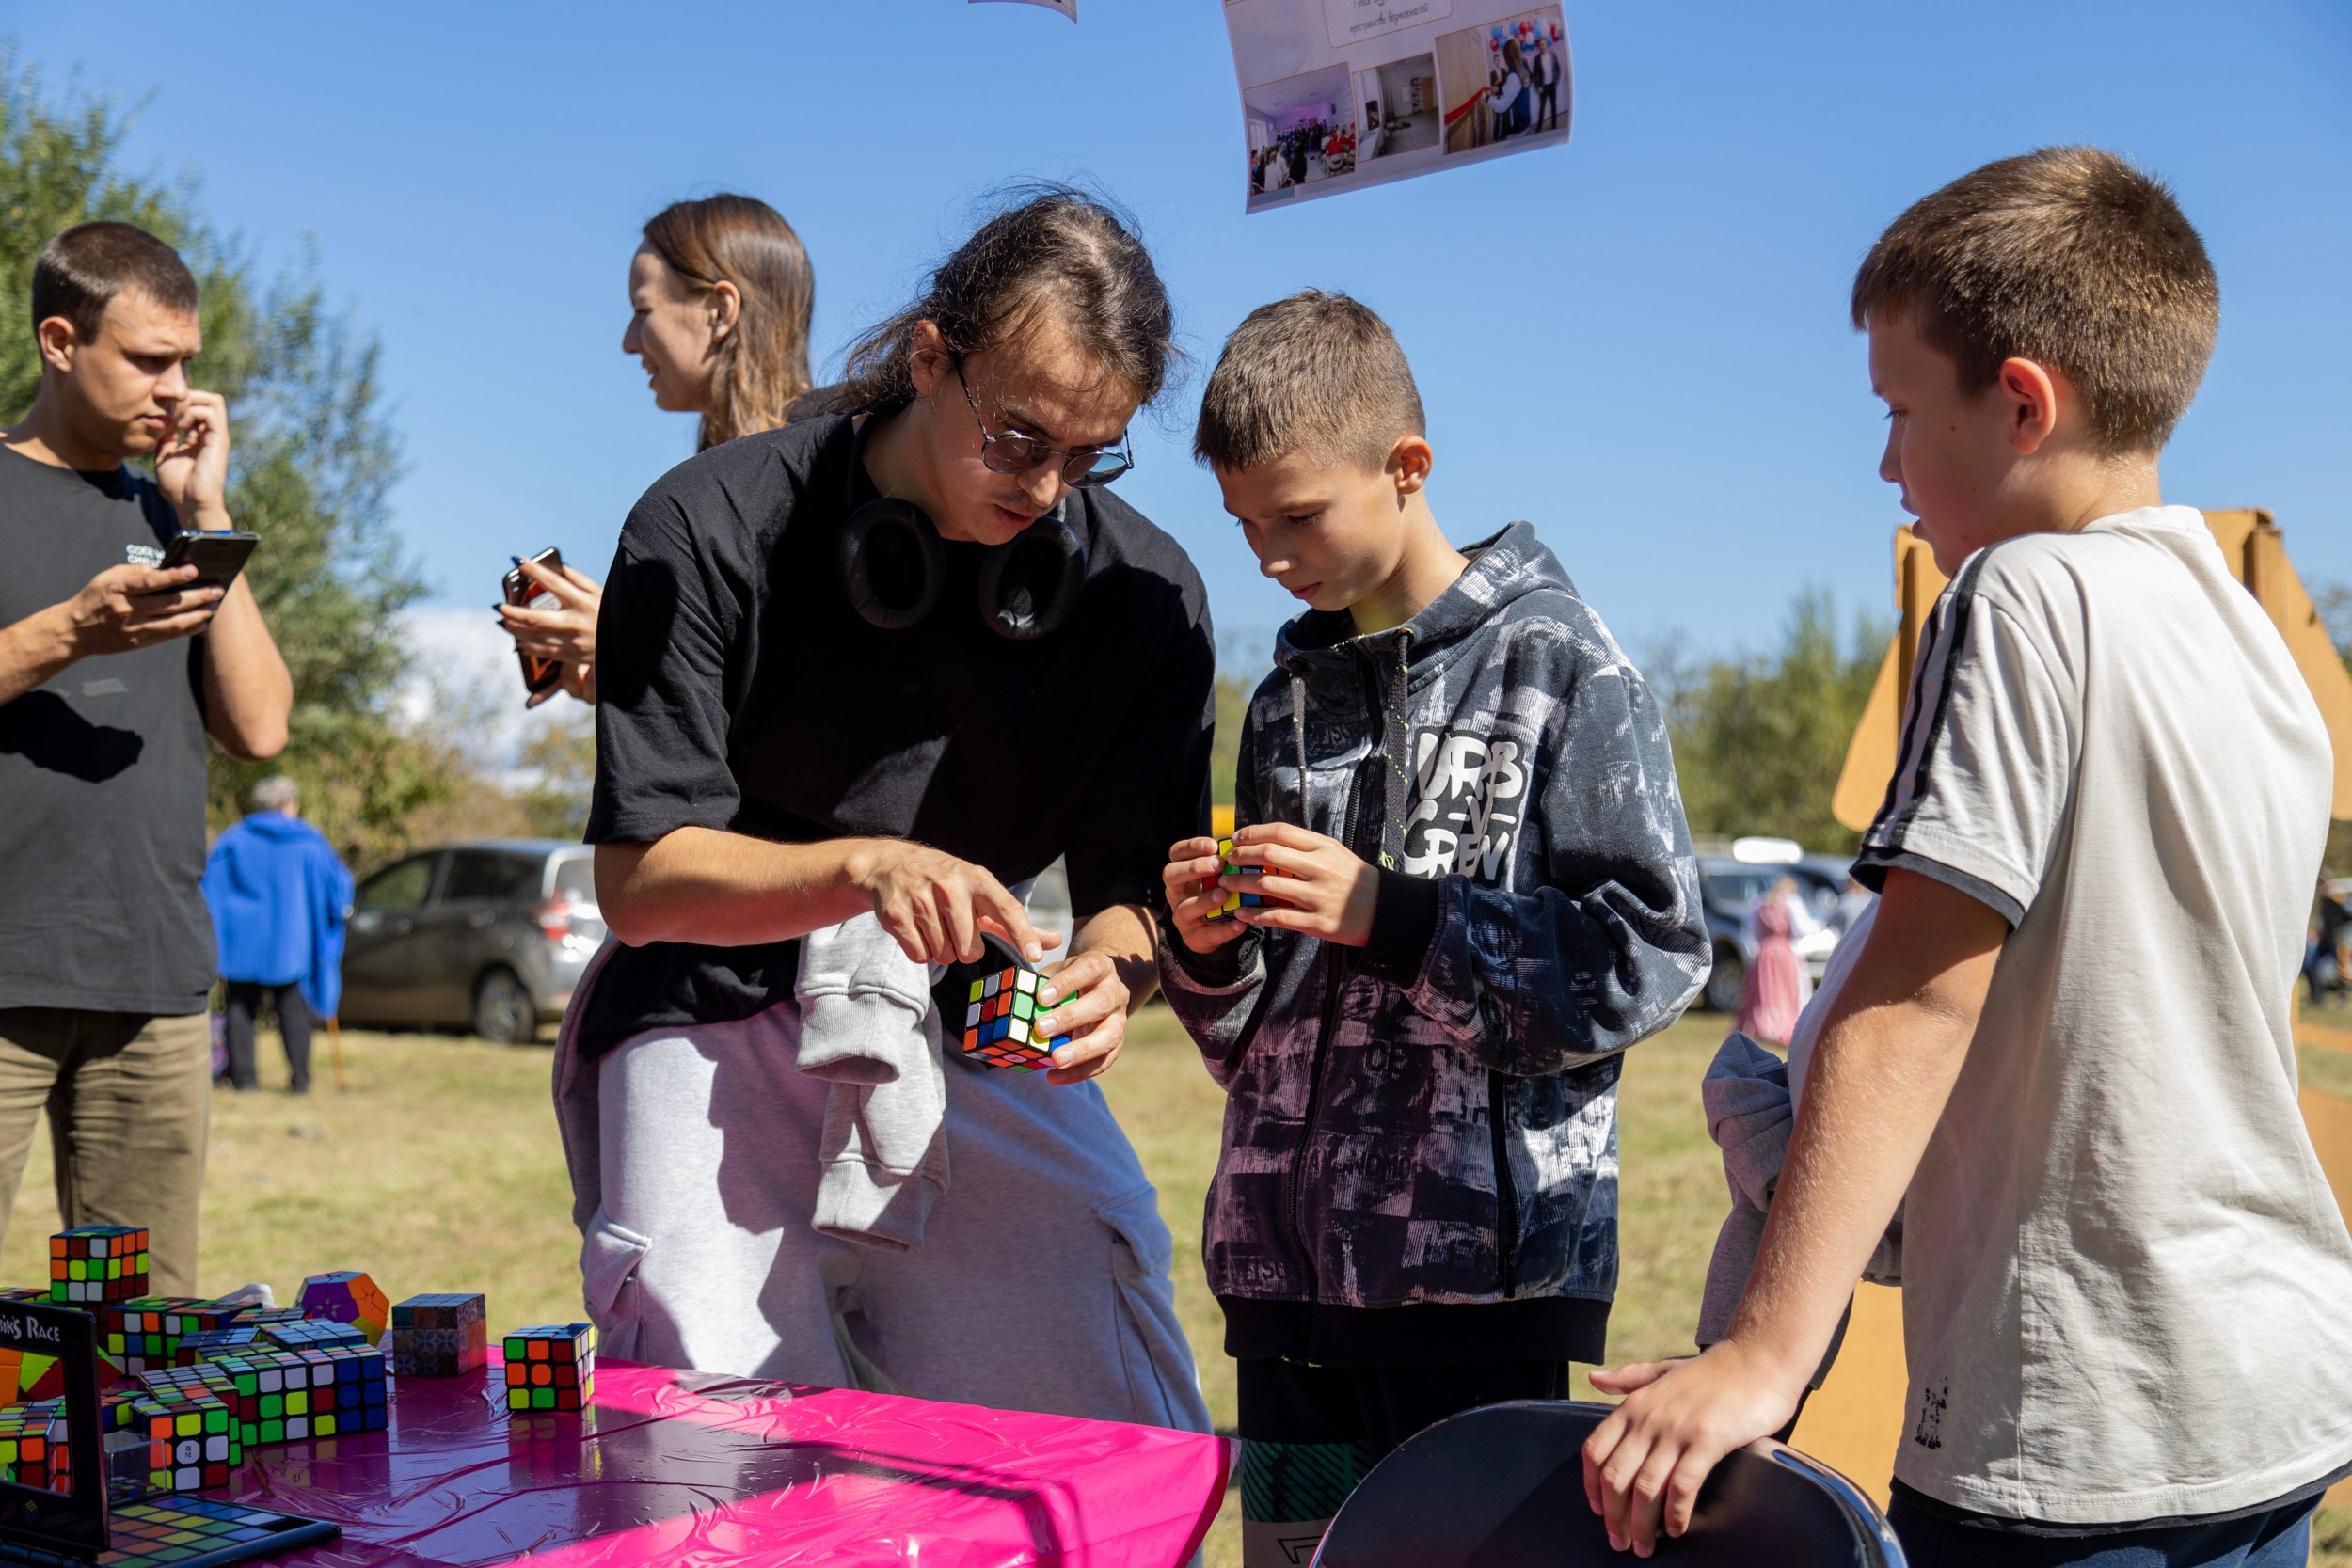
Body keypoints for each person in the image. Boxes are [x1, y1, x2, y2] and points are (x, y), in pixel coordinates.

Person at [1583, 148, 2352, 1566]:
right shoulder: (2257, 651)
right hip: (2266, 1399)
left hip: (2072, 1427)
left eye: (1899, 411)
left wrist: (1765, 1349)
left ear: (2021, 402)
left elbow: (1924, 998)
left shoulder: (2022, 592)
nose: (1885, 466)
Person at [559, 187, 1216, 1434]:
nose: (1051, 488)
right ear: (930, 358)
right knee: (706, 1442)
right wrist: (864, 866)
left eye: (1093, 454)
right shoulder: (706, 525)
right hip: (705, 1009)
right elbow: (640, 880)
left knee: (1108, 1408)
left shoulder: (1146, 597)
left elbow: (1136, 894)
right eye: (1020, 439)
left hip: (970, 1010)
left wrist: (1108, 975)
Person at [1159, 291, 1708, 1567]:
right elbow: (1255, 1037)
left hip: (1478, 1307)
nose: (1267, 554)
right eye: (1245, 524)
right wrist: (1208, 949)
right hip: (1281, 1299)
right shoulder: (1286, 695)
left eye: (1297, 514)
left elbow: (1651, 955)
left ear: (1407, 467)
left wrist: (1395, 917)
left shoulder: (1563, 663)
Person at [0, 221, 293, 1293]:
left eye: (187, 362)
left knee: (145, 1335)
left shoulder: (167, 513)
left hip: (151, 972)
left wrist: (206, 514)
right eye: (148, 360)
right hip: (4, 956)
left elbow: (262, 728)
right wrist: (67, 633)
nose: (177, 389)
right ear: (60, 340)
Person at [499, 194, 817, 708]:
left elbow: (807, 691)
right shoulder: (723, 485)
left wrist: (629, 634)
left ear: (719, 310)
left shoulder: (821, 479)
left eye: (643, 310)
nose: (628, 341)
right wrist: (626, 677)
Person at [200, 775, 353, 1094]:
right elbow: (339, 888)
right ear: (289, 805)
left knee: (240, 1008)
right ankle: (300, 1079)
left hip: (240, 943)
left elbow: (208, 888)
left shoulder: (234, 838)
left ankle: (244, 1081)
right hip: (291, 944)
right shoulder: (309, 840)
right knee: (292, 1009)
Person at [1732, 875, 1810, 1047]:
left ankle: (1763, 1026)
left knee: (1764, 990)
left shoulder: (1761, 902)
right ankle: (1781, 1027)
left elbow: (1750, 927)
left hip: (1765, 951)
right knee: (1785, 990)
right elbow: (1802, 928)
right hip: (1784, 950)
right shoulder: (1791, 901)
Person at [1532, 35, 1563, 132]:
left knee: (1554, 106)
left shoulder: (1552, 55)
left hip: (1552, 86)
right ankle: (1539, 128)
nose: (1542, 46)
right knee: (1542, 108)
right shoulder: (1537, 59)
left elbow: (1558, 69)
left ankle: (1554, 125)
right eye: (1540, 45)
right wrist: (1538, 87)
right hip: (1543, 87)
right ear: (1539, 46)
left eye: (1543, 44)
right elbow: (1534, 75)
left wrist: (1556, 83)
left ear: (1546, 44)